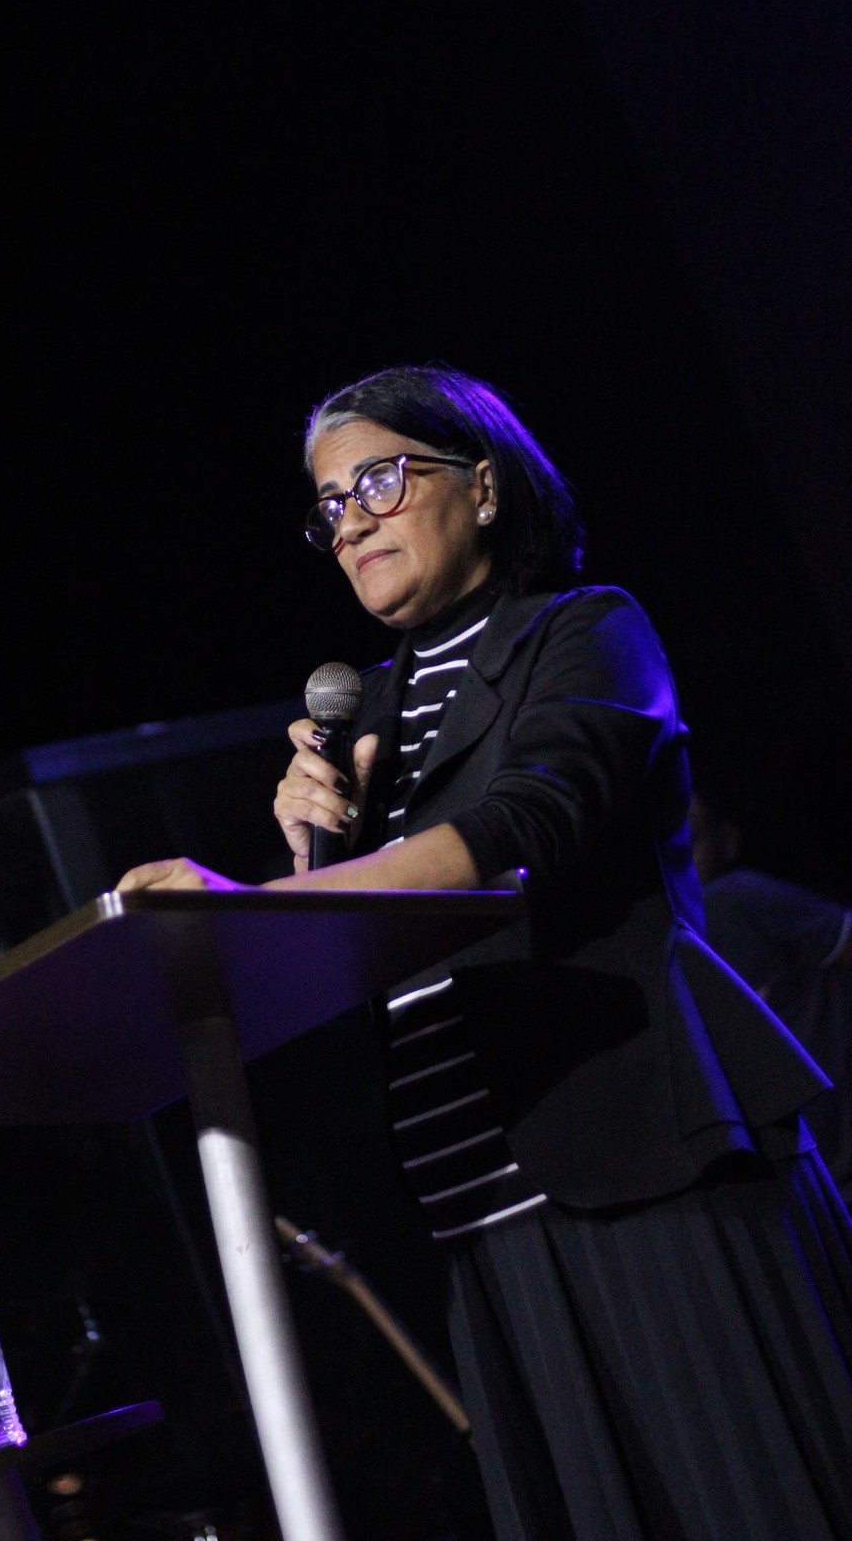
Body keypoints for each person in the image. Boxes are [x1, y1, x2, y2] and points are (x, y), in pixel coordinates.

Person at [119, 364, 852, 1541]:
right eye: (329, 502)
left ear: (487, 485)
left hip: (643, 1168)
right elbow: (354, 956)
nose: (351, 517)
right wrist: (307, 860)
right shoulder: (369, 718)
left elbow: (517, 838)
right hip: (477, 1208)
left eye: (380, 478)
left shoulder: (589, 630)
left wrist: (242, 901)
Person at [690, 789, 852, 1205]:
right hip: (810, 1171)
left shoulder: (738, 897)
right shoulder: (683, 935)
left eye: (690, 843)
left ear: (728, 839)